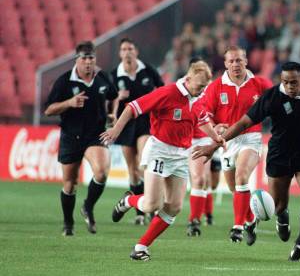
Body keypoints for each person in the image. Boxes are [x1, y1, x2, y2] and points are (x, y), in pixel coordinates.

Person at [194, 62, 300, 259]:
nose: (289, 87)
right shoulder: (272, 96)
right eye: (285, 82)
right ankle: (276, 217)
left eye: (293, 82)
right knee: (276, 206)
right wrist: (216, 144)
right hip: (280, 153)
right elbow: (244, 122)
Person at [100, 62, 224, 261]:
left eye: (204, 87)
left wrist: (215, 136)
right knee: (151, 204)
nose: (202, 91)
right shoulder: (167, 93)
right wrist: (116, 130)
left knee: (174, 206)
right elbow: (133, 107)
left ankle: (141, 247)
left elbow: (202, 120)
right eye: (199, 86)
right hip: (160, 150)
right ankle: (129, 200)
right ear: (188, 79)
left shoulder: (198, 97)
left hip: (182, 155)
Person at [44, 41, 118, 235]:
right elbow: (49, 109)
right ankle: (68, 223)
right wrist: (69, 102)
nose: (88, 62)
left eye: (91, 58)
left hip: (95, 134)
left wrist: (112, 113)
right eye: (84, 58)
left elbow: (113, 95)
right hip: (71, 135)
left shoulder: (102, 77)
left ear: (95, 59)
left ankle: (88, 206)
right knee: (70, 184)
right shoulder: (64, 81)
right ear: (77, 59)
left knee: (101, 172)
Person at [203, 46, 273, 243]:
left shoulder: (260, 84)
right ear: (225, 64)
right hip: (226, 142)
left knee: (242, 176)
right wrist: (214, 127)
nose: (236, 64)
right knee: (236, 189)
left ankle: (237, 227)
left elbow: (278, 101)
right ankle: (250, 221)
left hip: (251, 138)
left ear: (246, 61)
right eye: (231, 61)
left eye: (239, 60)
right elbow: (205, 115)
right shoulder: (216, 87)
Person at [111, 37, 164, 225]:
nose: (127, 52)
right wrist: (117, 97)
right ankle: (140, 211)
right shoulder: (114, 75)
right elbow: (108, 101)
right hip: (125, 124)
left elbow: (163, 91)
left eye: (130, 48)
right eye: (124, 49)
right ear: (120, 53)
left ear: (136, 51)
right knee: (132, 170)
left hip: (146, 122)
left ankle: (151, 202)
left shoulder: (148, 70)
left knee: (143, 162)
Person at [186, 57, 218, 236]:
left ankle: (195, 220)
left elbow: (215, 110)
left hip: (202, 139)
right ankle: (147, 206)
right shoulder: (180, 88)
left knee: (201, 179)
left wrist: (217, 128)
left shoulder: (211, 88)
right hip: (178, 140)